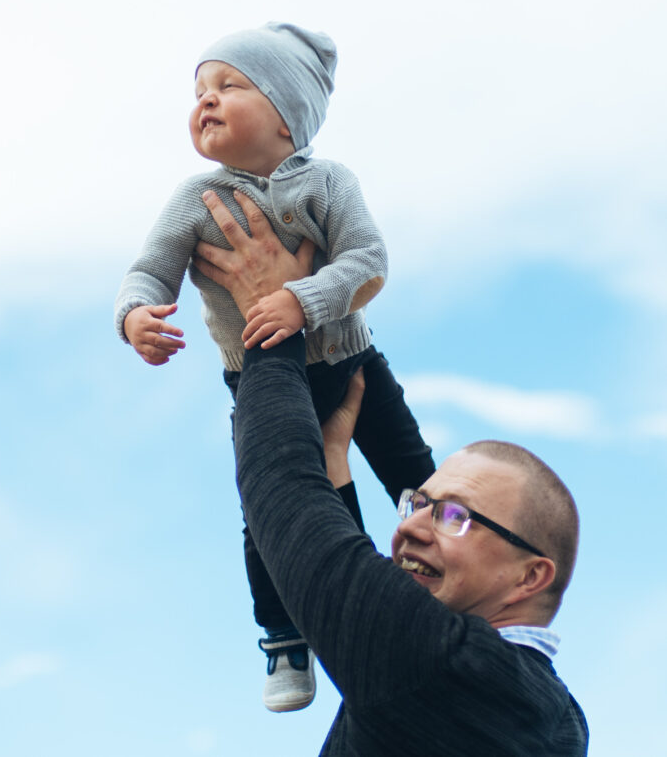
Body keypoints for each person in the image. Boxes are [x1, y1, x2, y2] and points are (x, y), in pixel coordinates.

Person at [196, 193, 589, 756]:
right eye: (417, 504)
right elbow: (359, 610)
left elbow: (282, 493)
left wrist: (273, 316)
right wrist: (337, 462)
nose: (410, 529)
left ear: (531, 577)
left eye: (456, 515)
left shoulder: (457, 670)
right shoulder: (538, 710)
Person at [114, 23, 434, 711]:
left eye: (230, 85)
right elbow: (149, 271)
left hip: (351, 360)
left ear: (289, 121)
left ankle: (446, 559)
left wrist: (300, 298)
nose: (206, 99)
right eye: (198, 89)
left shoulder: (327, 183)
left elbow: (368, 263)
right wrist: (135, 316)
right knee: (266, 510)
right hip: (258, 381)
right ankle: (285, 637)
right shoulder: (193, 200)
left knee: (412, 470)